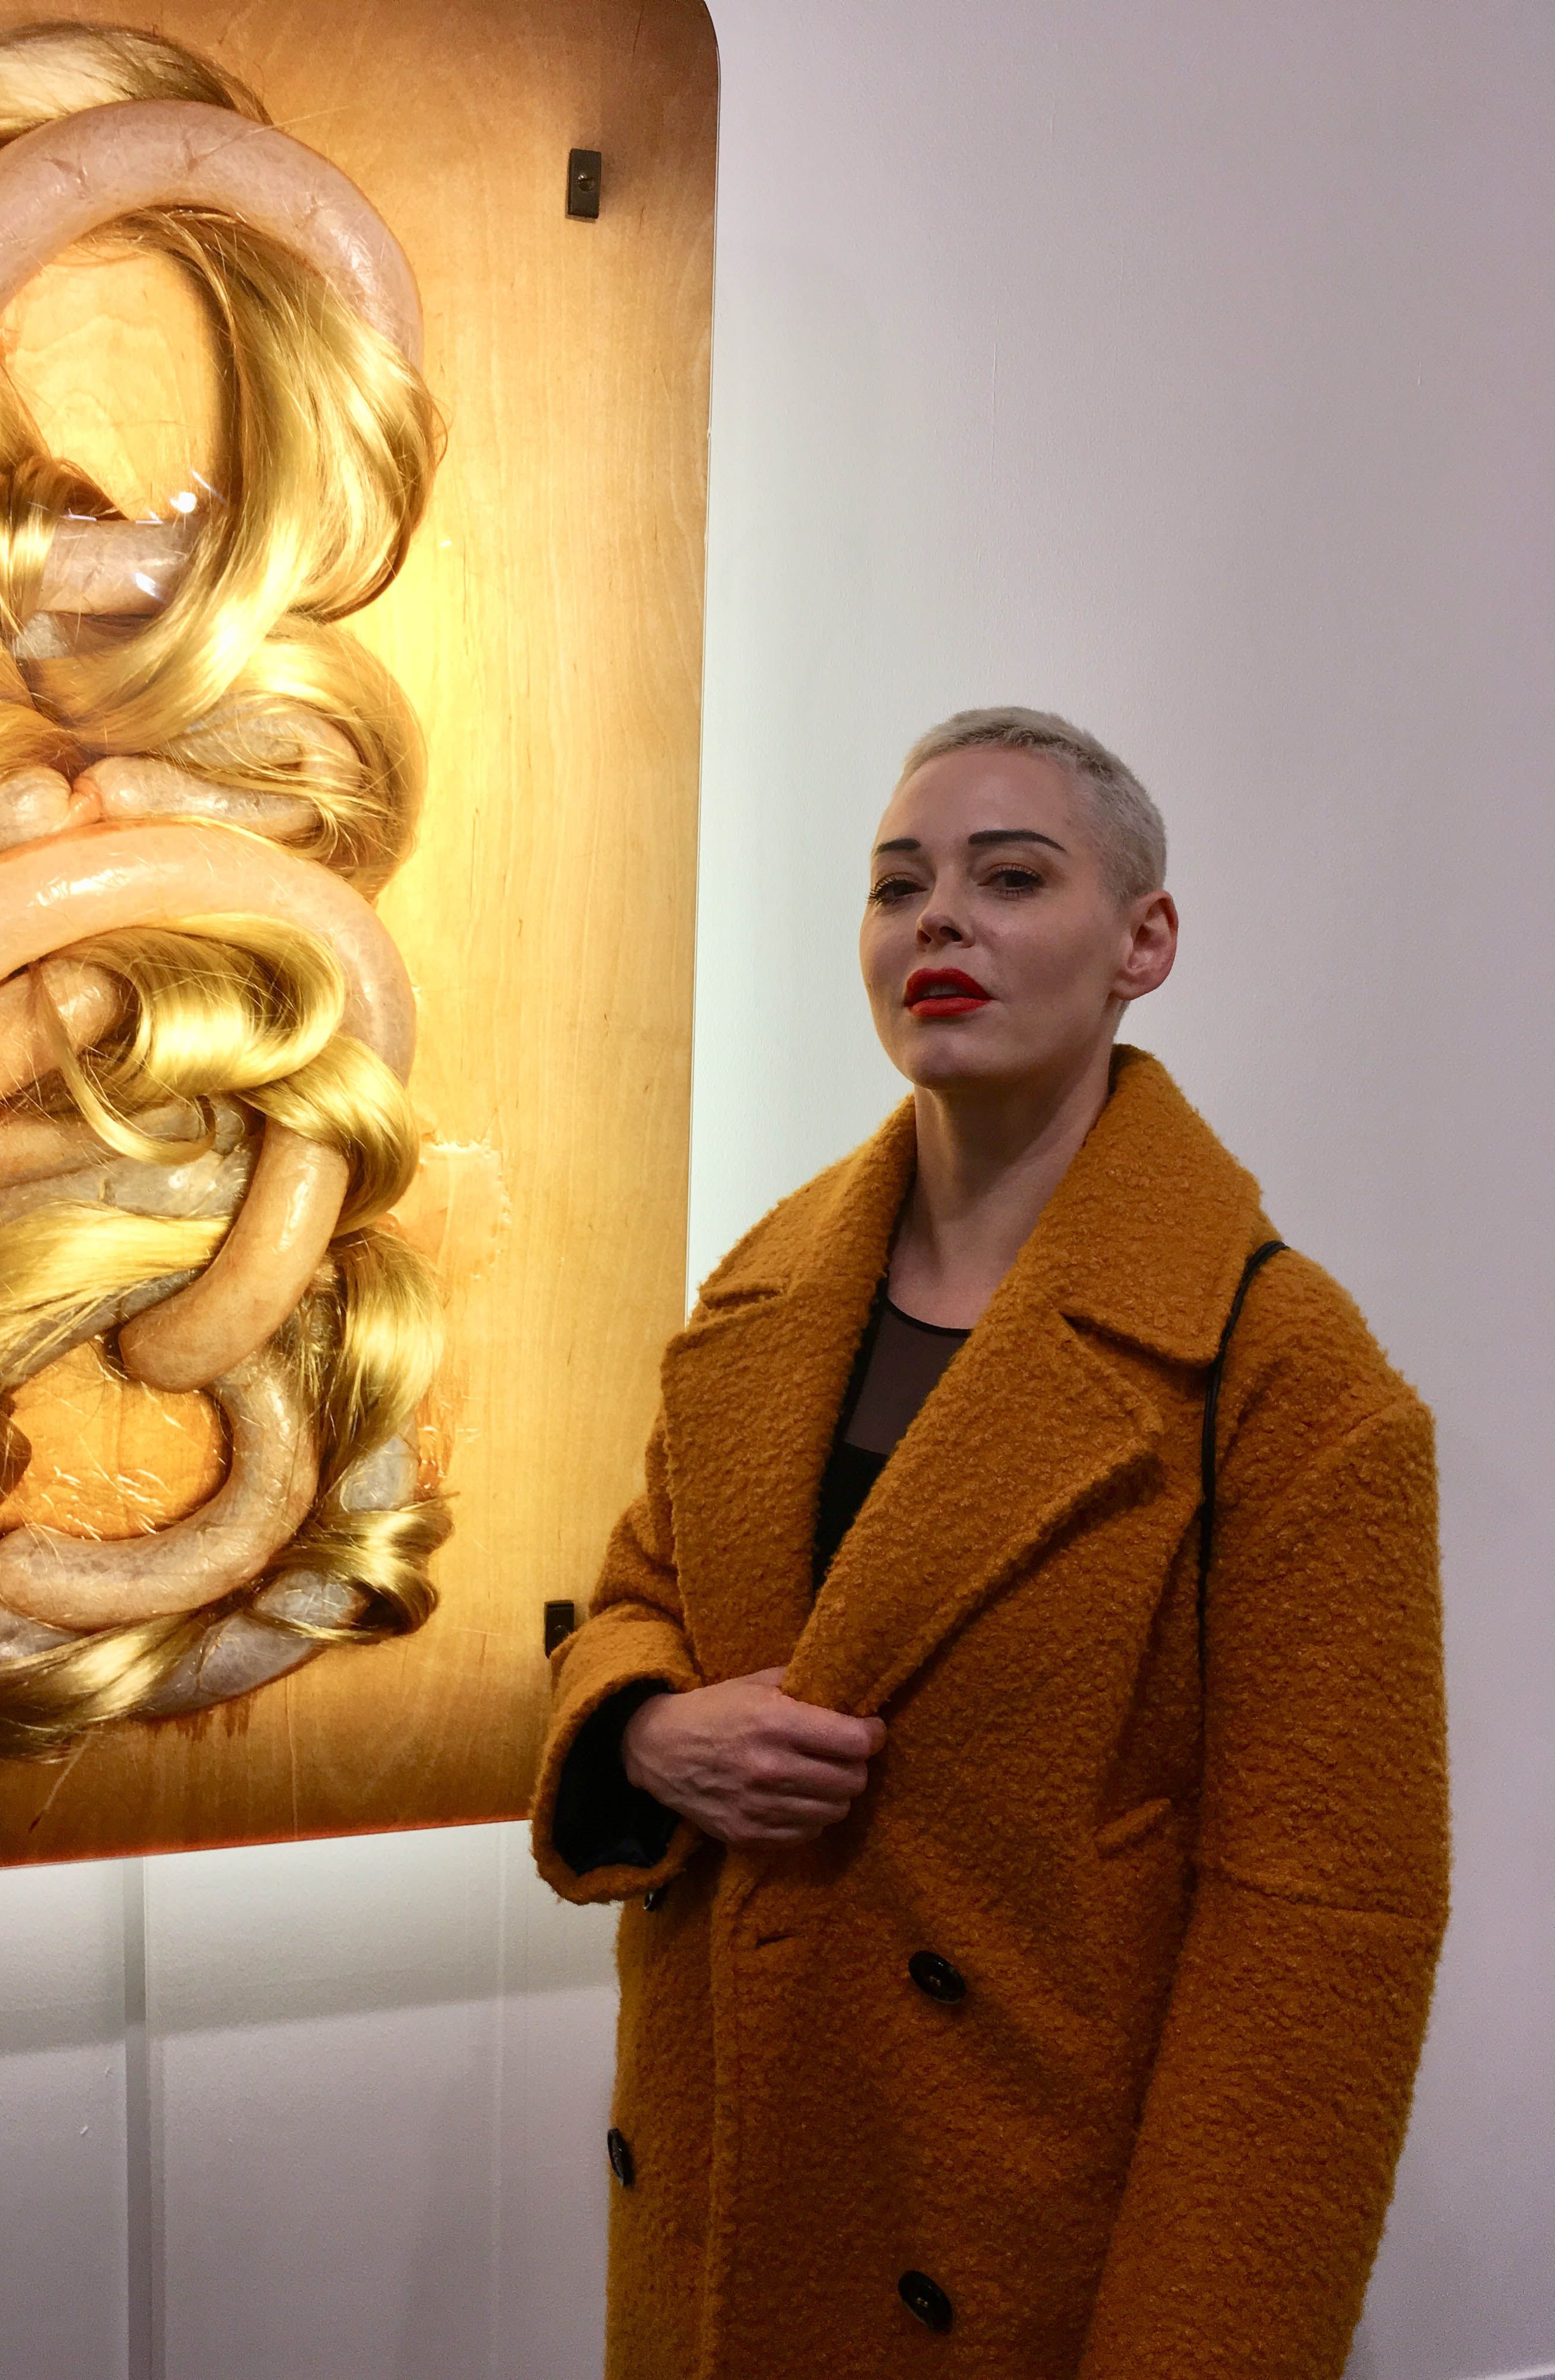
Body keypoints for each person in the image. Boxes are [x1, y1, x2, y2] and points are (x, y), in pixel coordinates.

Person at [529, 707, 1450, 2380]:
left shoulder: (1278, 1375)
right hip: (723, 2213)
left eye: (1010, 877)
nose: (938, 919)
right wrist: (649, 1733)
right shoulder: (764, 1297)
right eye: (899, 886)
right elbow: (634, 1602)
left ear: (1143, 944)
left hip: (1023, 2262)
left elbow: (1319, 1945)